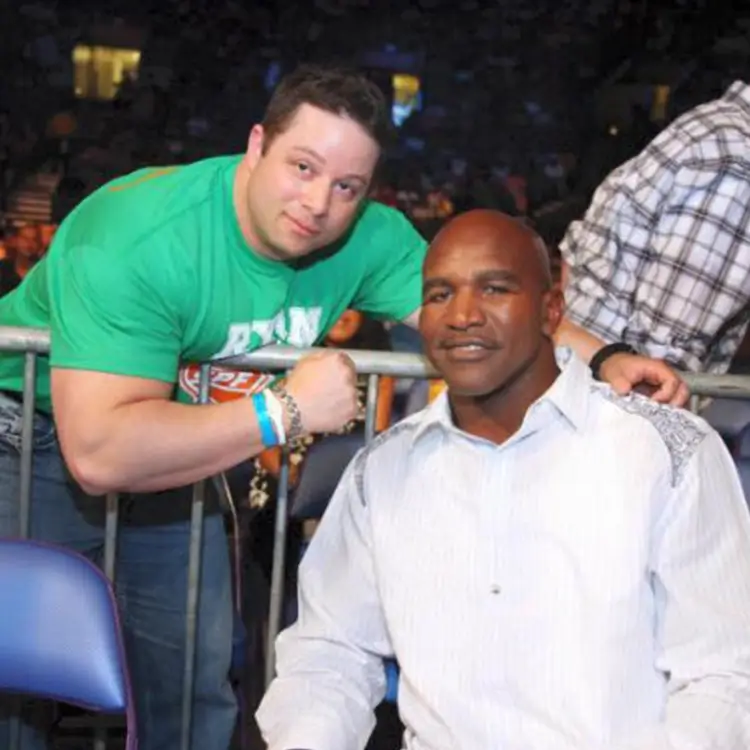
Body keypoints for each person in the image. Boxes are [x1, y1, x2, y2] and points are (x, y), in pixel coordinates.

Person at [0, 65, 681, 750]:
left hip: (181, 453)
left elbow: (485, 316)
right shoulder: (137, 235)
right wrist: (283, 412)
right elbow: (99, 451)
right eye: (302, 166)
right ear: (257, 142)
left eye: (346, 186)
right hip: (28, 436)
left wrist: (603, 359)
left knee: (190, 686)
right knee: (17, 678)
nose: (318, 202)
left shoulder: (364, 239)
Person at [258, 210, 750, 750]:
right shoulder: (385, 472)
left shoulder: (664, 452)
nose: (463, 315)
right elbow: (330, 656)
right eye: (440, 295)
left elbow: (723, 676)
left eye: (494, 289)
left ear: (550, 310)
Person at [560, 80, 750, 376]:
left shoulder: (717, 127)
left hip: (581, 379)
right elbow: (658, 364)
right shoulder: (740, 165)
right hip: (605, 402)